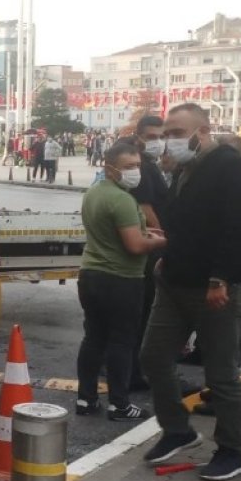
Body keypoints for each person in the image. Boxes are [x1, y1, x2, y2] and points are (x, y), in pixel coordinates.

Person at [138, 104, 241, 481]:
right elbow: (182, 223)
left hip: (215, 288)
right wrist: (167, 256)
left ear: (202, 131)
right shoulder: (184, 168)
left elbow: (238, 228)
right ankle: (178, 430)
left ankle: (231, 451)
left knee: (220, 374)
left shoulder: (229, 166)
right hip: (174, 282)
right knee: (154, 356)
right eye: (165, 132)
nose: (167, 138)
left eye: (175, 131)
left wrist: (219, 278)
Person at [75, 141, 164, 421]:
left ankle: (86, 399)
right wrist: (160, 241)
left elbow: (113, 231)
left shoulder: (94, 193)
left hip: (90, 275)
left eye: (137, 166)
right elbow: (135, 246)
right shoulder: (123, 199)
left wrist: (141, 230)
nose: (135, 171)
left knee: (93, 338)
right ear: (110, 167)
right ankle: (120, 404)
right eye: (128, 167)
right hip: (121, 279)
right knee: (122, 342)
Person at [124, 117, 171, 391]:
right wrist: (164, 236)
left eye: (162, 135)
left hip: (149, 246)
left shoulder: (149, 165)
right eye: (152, 136)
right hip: (149, 248)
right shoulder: (141, 167)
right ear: (139, 137)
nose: (159, 141)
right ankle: (133, 372)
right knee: (142, 315)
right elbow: (145, 207)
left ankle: (132, 369)